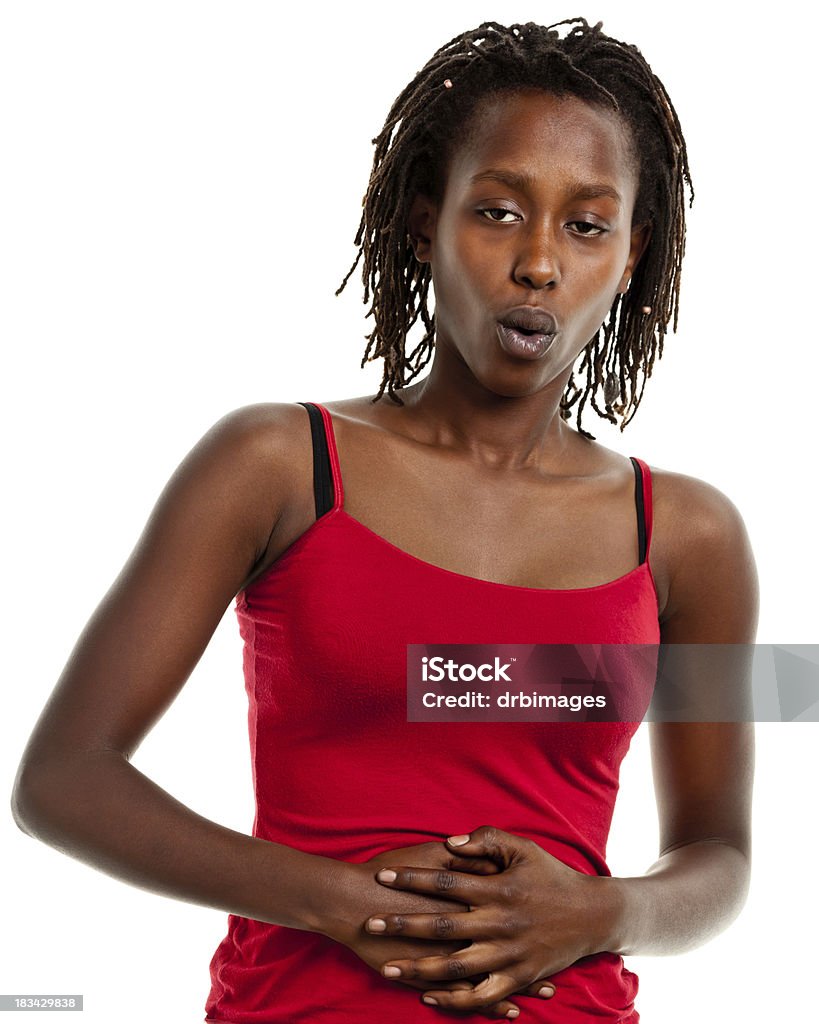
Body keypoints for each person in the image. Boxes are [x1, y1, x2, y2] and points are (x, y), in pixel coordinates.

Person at [10, 17, 758, 1024]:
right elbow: (64, 779)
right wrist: (340, 901)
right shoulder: (276, 465)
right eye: (497, 211)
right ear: (422, 221)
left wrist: (597, 911)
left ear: (630, 259)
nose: (539, 262)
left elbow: (720, 857)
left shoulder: (687, 537)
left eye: (587, 225)